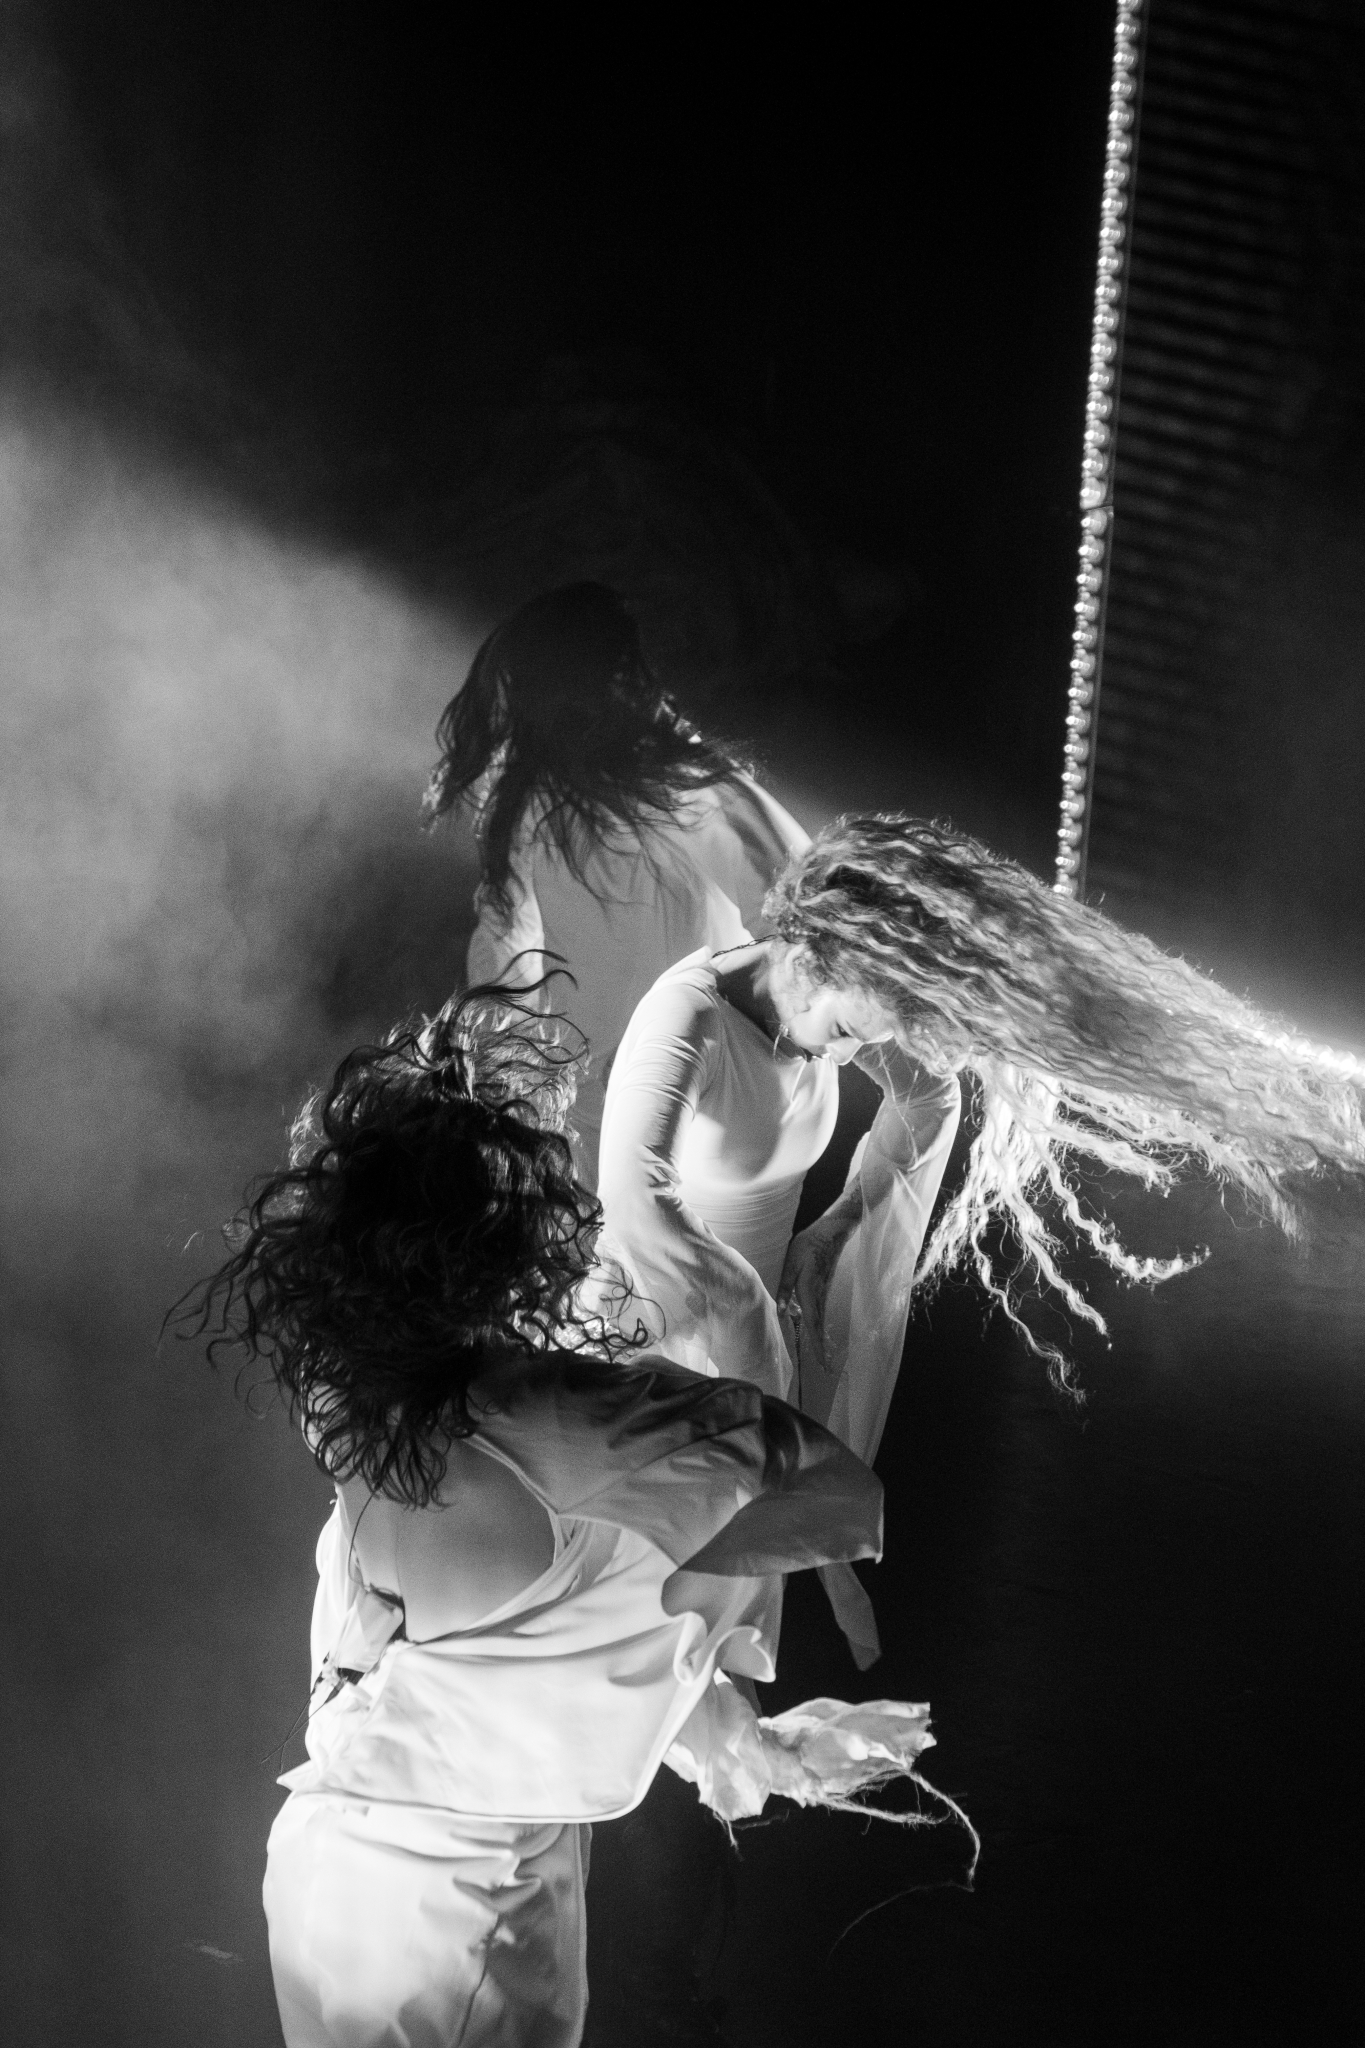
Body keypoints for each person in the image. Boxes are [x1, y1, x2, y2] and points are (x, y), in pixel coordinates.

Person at [182, 986, 961, 2048]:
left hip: (327, 1878)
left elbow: (529, 1651)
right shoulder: (574, 1423)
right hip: (459, 1923)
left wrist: (740, 1740)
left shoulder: (354, 1398)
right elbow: (833, 1497)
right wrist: (733, 1314)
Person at [597, 814, 1365, 1661]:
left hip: (755, 1336)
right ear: (814, 959)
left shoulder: (825, 1005)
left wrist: (836, 1226)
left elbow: (932, 1096)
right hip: (657, 1336)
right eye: (848, 1033)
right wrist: (749, 1331)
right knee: (645, 1613)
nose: (846, 1056)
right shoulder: (688, 1020)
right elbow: (636, 1201)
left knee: (715, 1621)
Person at [423, 582, 808, 1183]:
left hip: (696, 1101)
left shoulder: (688, 788)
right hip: (587, 1115)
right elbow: (506, 956)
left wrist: (746, 1044)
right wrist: (511, 1088)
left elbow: (799, 908)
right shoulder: (527, 806)